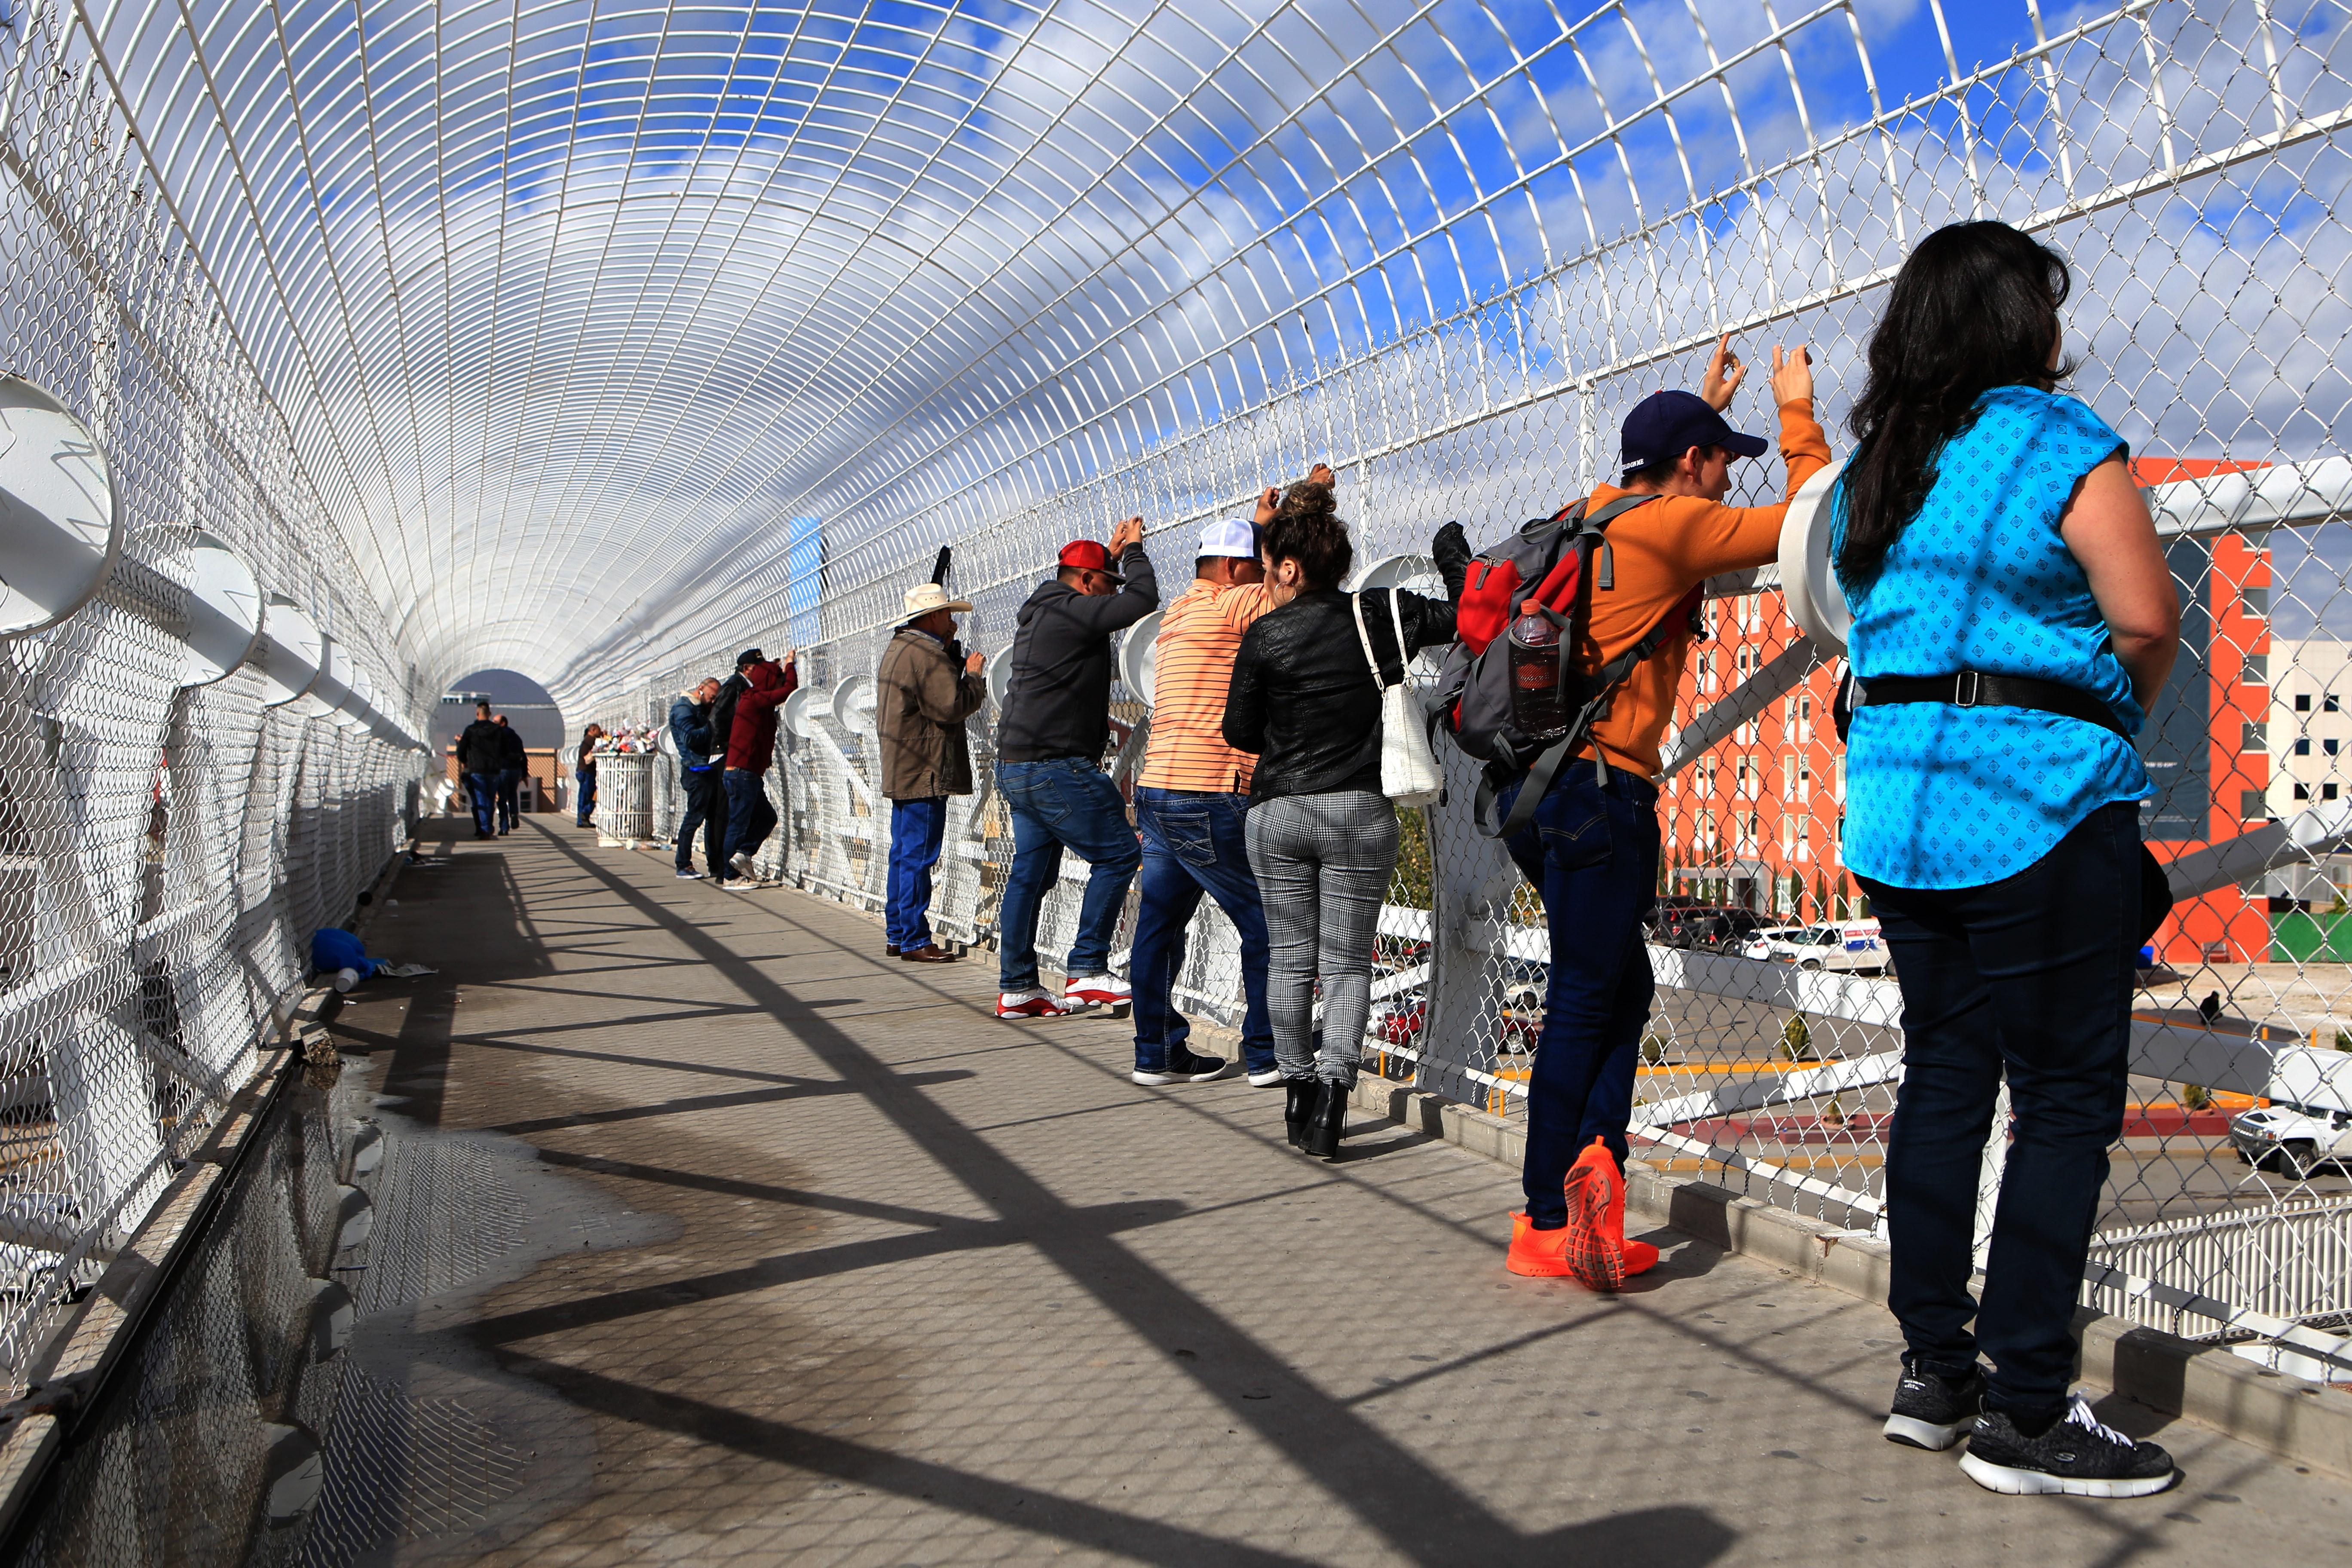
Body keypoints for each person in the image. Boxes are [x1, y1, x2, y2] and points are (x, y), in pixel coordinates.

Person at [1834, 222, 2178, 1497]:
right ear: (2016, 321)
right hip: (2038, 810)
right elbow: (2147, 618)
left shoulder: (1885, 463)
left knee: (1946, 1077)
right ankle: (2031, 1411)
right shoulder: (2055, 439)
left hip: (1901, 818)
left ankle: (1936, 1372)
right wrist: (2089, 718)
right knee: (2068, 1101)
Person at [1495, 334, 1824, 1288]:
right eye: (1724, 460)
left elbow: (1671, 470)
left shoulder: (1591, 512)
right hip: (1606, 792)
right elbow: (1809, 521)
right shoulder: (1676, 523)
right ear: (1691, 464)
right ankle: (1549, 1217)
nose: (1730, 482)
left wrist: (1704, 406)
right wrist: (1796, 410)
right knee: (1584, 1000)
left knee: (1620, 987)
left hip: (1539, 791)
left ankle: (1594, 1169)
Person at [1222, 476, 1459, 1157]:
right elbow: (1465, 615)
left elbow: (1241, 730)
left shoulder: (1265, 634)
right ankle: (1332, 1100)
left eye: (1269, 572)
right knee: (1350, 962)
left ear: (1291, 567)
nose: (1266, 584)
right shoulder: (1384, 613)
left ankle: (1296, 1087)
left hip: (1278, 812)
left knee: (1291, 960)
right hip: (1359, 809)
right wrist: (1450, 554)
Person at [1125, 499, 1298, 1089]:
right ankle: (1268, 1053)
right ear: (1231, 570)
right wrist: (1305, 504)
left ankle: (1157, 1053)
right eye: (1255, 565)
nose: (1264, 573)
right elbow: (1295, 584)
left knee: (1159, 926)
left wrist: (1260, 525)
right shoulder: (1233, 604)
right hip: (1209, 792)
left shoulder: (1179, 611)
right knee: (1268, 923)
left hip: (1157, 789)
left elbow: (1266, 572)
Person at [992, 518, 1158, 1019]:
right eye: (1107, 586)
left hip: (1018, 765)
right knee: (1117, 855)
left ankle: (1018, 986)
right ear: (1087, 584)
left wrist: (1107, 559)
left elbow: (1107, 594)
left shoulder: (1047, 610)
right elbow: (1142, 600)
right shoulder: (1072, 610)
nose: (1112, 599)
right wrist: (1132, 552)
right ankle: (1088, 969)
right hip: (1055, 766)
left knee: (1030, 874)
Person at [877, 582, 989, 963]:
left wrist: (948, 646)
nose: (952, 620)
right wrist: (973, 675)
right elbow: (950, 705)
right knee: (920, 856)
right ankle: (914, 939)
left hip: (903, 767)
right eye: (947, 614)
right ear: (933, 616)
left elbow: (933, 686)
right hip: (925, 769)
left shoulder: (902, 649)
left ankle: (898, 932)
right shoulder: (926, 655)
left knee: (903, 854)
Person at [721, 649, 798, 884]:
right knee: (738, 823)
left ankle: (742, 855)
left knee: (766, 818)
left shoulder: (758, 702)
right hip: (743, 774)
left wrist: (776, 669)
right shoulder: (754, 699)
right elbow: (788, 691)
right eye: (775, 680)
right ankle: (731, 876)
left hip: (748, 774)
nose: (778, 684)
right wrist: (790, 665)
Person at [669, 679, 726, 881]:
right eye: (712, 698)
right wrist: (712, 725)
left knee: (712, 817)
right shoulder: (683, 709)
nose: (712, 703)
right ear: (701, 690)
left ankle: (714, 864)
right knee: (694, 817)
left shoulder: (695, 708)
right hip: (696, 770)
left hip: (704, 768)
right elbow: (690, 738)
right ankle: (683, 864)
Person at [456, 702, 505, 839]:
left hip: (476, 769)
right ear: (489, 714)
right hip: (494, 770)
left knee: (481, 799)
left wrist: (464, 760)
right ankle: (488, 825)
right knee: (490, 798)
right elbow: (505, 749)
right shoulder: (498, 730)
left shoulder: (470, 730)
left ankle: (485, 828)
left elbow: (462, 750)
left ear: (477, 714)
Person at [493, 715, 528, 834]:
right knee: (513, 794)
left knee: (502, 799)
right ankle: (514, 813)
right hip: (516, 770)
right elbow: (523, 756)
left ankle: (504, 827)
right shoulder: (516, 737)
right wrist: (524, 774)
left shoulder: (497, 737)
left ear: (502, 723)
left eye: (495, 722)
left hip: (502, 769)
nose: (493, 724)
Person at [575, 724, 604, 827]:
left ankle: (582, 818)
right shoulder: (591, 741)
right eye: (598, 730)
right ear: (593, 730)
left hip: (583, 771)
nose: (600, 733)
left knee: (586, 795)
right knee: (588, 795)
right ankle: (584, 814)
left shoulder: (586, 741)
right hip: (587, 772)